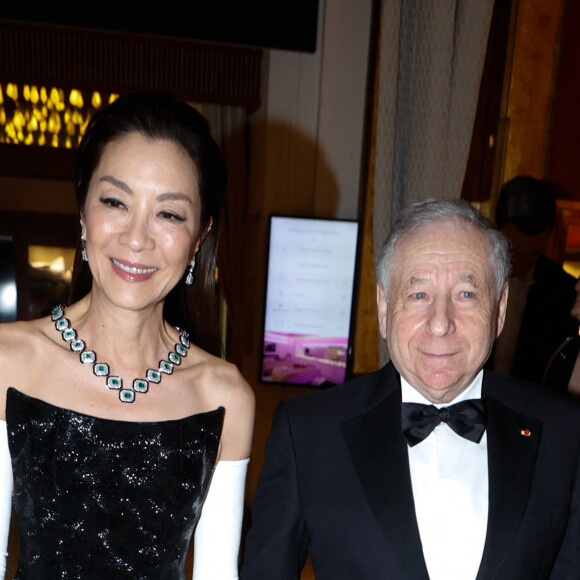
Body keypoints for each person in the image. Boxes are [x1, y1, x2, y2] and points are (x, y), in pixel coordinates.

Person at [241, 199, 580, 580]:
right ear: (384, 308)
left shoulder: (563, 432)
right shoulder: (307, 434)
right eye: (418, 295)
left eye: (466, 294)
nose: (440, 324)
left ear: (499, 309)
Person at [0, 92, 255, 578]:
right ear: (82, 212)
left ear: (199, 238)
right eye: (115, 201)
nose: (136, 239)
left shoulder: (224, 395)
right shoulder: (8, 361)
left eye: (169, 214)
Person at [492, 175, 578, 383]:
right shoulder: (469, 273)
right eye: (513, 251)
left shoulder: (563, 291)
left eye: (533, 254)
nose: (521, 264)